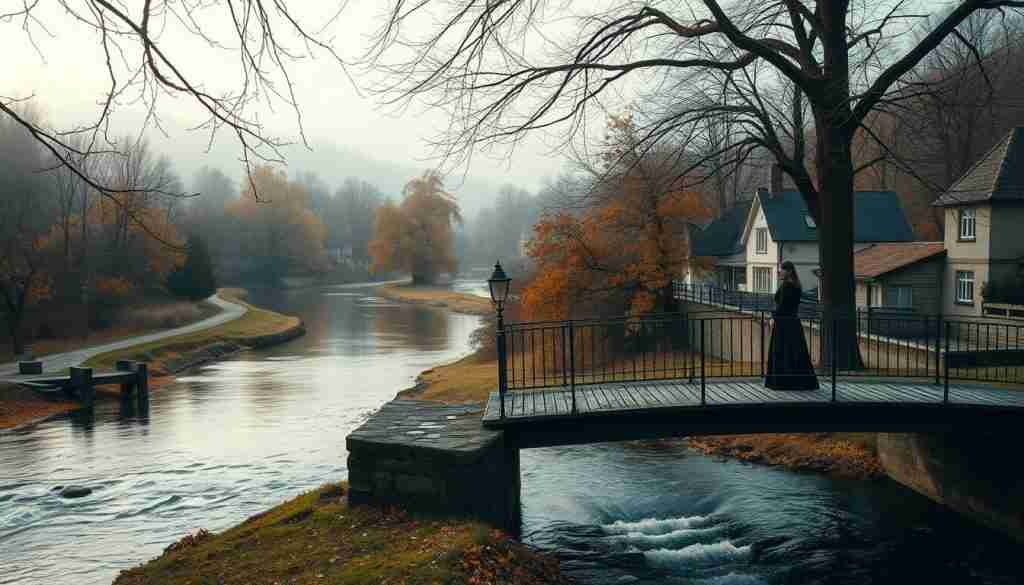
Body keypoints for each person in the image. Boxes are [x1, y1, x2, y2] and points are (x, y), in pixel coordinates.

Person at [764, 261, 819, 390]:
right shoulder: (794, 285)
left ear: (788, 271)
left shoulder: (788, 286)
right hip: (792, 322)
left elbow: (783, 306)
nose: (780, 272)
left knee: (783, 351)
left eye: (782, 270)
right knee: (794, 352)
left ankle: (783, 382)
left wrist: (772, 316)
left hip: (784, 323)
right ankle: (797, 381)